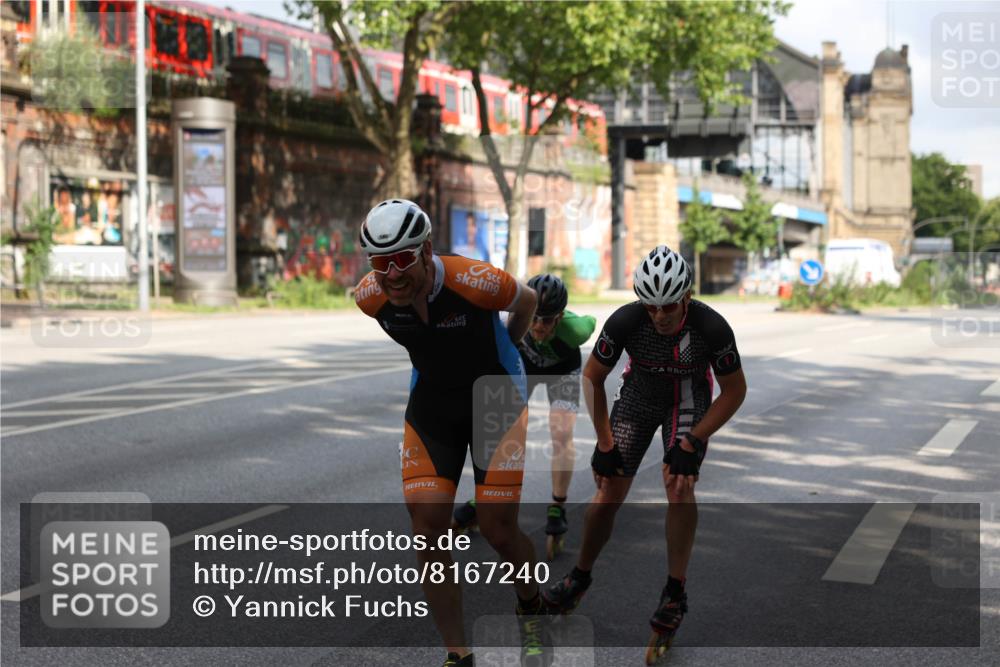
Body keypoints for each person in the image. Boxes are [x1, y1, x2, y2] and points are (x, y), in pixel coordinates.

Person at [354, 199, 550, 667]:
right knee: (426, 531)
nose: (392, 274)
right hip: (434, 403)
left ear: (425, 250)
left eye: (402, 259)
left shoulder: (474, 280)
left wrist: (509, 349)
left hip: (495, 398)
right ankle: (458, 654)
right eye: (380, 263)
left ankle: (530, 603)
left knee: (497, 528)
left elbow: (527, 301)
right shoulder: (369, 297)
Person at [542, 245, 747, 645]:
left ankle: (674, 592)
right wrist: (604, 441)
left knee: (679, 485)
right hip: (639, 396)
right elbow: (592, 377)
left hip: (688, 398)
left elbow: (735, 391)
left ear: (686, 297)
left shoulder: (711, 327)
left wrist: (693, 440)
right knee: (608, 491)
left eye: (668, 306)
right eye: (650, 306)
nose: (659, 315)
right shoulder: (627, 320)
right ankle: (579, 576)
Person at [452, 274, 596, 559]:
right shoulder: (512, 320)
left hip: (562, 370)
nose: (539, 325)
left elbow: (591, 321)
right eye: (535, 318)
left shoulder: (575, 330)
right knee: (503, 430)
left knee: (561, 433)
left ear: (560, 317)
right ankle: (485, 496)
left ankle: (557, 506)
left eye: (547, 320)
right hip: (525, 365)